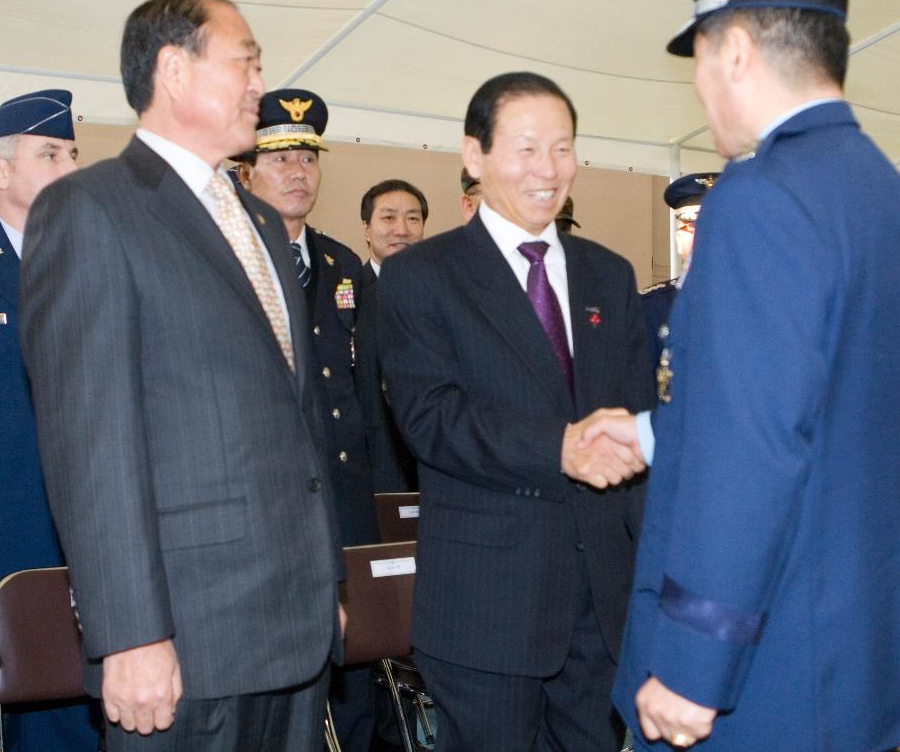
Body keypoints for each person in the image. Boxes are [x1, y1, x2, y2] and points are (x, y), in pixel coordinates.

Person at [584, 0, 900, 749]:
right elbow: (826, 404)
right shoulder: (886, 193)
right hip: (852, 646)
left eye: (702, 60)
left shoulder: (758, 198)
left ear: (738, 51)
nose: (699, 88)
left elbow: (753, 449)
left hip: (767, 660)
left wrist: (691, 662)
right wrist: (652, 433)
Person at [19, 0, 344, 751]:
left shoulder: (259, 220)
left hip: (291, 632)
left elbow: (292, 418)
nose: (260, 84)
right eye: (246, 62)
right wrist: (129, 635)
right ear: (173, 69)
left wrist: (323, 583)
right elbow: (89, 443)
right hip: (184, 639)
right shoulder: (91, 209)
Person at [378, 71, 654, 751]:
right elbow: (430, 417)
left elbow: (639, 417)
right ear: (475, 156)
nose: (548, 170)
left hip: (601, 614)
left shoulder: (609, 274)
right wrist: (557, 446)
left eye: (563, 149)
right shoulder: (423, 275)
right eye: (527, 148)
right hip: (487, 610)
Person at [235, 87, 376, 751]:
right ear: (246, 172)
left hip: (344, 500)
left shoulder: (342, 264)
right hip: (267, 507)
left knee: (353, 675)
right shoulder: (228, 258)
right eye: (280, 160)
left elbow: (368, 390)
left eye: (308, 159)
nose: (298, 173)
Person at [0, 89, 101, 751]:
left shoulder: (98, 256)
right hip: (11, 535)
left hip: (94, 534)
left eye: (73, 153)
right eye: (49, 153)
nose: (68, 166)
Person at [355, 178, 427, 493]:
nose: (402, 229)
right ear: (367, 229)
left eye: (413, 218)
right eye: (388, 217)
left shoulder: (441, 293)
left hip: (434, 462)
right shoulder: (347, 294)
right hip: (372, 461)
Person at [639, 172, 715, 364]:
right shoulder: (649, 308)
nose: (702, 237)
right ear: (678, 238)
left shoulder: (762, 303)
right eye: (691, 227)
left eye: (713, 227)